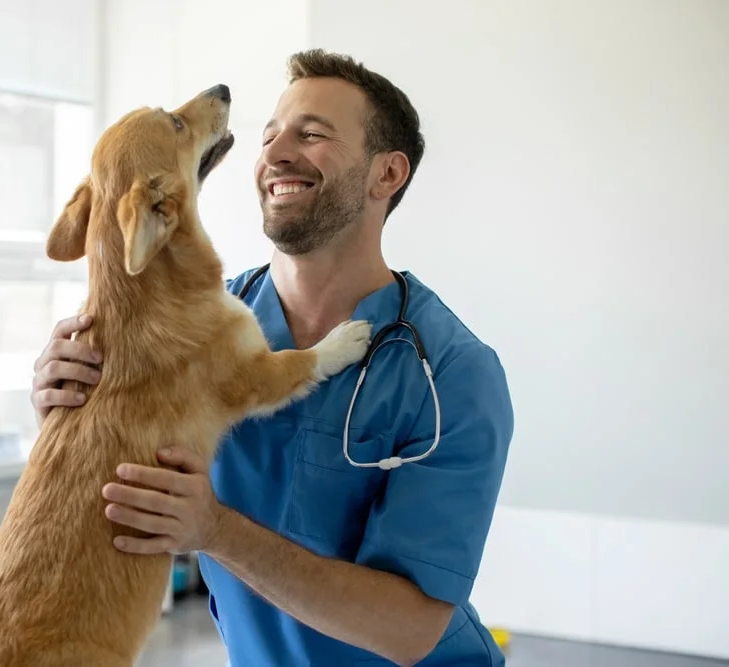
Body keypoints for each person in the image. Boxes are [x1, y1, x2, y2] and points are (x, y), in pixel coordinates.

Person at [30, 49, 514, 667]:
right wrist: (65, 410)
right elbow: (118, 496)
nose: (275, 154)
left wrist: (215, 531)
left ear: (386, 175)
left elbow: (410, 628)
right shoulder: (189, 333)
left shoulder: (452, 373)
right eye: (269, 136)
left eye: (311, 134)